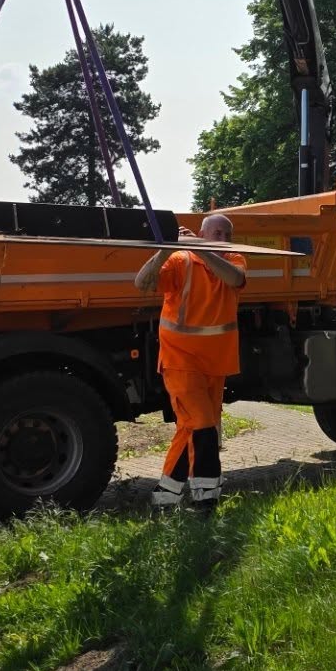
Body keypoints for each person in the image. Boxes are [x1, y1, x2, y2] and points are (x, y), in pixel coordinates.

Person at [133, 212, 246, 508]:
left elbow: (235, 279)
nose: (222, 239)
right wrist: (166, 249)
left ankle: (165, 495)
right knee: (204, 426)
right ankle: (205, 500)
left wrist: (200, 247)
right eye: (216, 233)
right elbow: (142, 282)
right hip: (180, 360)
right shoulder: (179, 260)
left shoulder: (234, 259)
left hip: (216, 361)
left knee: (190, 427)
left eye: (226, 234)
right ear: (201, 232)